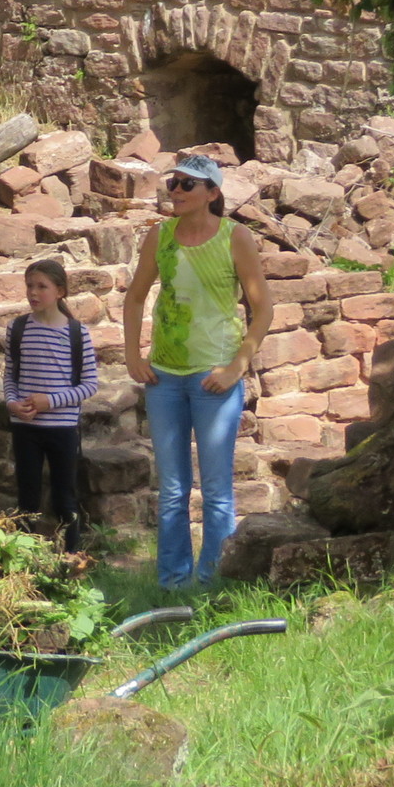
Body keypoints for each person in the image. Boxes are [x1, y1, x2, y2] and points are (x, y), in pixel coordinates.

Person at [121, 151, 272, 589]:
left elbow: (263, 309)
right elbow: (134, 298)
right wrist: (133, 357)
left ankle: (215, 581)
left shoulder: (235, 237)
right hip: (164, 378)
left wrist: (237, 367)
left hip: (214, 379)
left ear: (212, 193)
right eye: (173, 182)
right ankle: (172, 583)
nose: (177, 190)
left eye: (188, 184)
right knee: (172, 489)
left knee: (217, 492)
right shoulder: (159, 236)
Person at [4, 256, 98, 551]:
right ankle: (24, 558)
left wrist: (50, 401)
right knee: (27, 497)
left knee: (64, 497)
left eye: (41, 286)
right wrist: (11, 403)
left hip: (62, 428)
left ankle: (71, 557)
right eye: (29, 286)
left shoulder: (77, 333)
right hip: (25, 427)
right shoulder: (17, 328)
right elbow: (10, 375)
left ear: (60, 291)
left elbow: (89, 385)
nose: (33, 292)